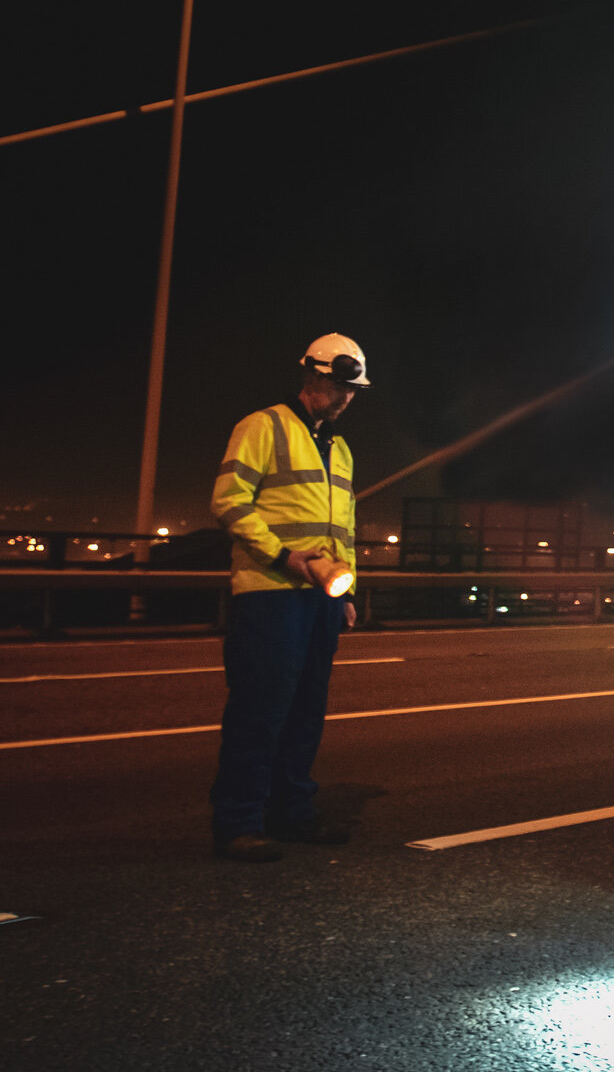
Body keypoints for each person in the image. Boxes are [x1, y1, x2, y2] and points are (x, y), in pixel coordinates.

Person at [207, 334, 370, 862]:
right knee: (260, 712)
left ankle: (291, 814)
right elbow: (229, 502)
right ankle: (239, 824)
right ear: (314, 376)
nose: (346, 397)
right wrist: (285, 556)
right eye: (341, 385)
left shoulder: (340, 449)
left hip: (321, 599)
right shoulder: (263, 426)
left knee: (305, 712)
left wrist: (347, 591)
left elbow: (342, 528)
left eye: (354, 389)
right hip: (270, 593)